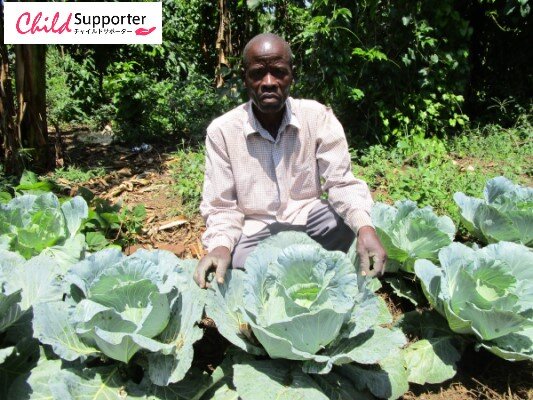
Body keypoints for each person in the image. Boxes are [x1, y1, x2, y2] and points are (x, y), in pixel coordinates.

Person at [194, 33, 386, 289]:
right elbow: (221, 207)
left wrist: (364, 228)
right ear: (244, 78)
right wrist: (219, 247)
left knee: (346, 227)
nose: (269, 82)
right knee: (237, 260)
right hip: (256, 231)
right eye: (258, 74)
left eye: (279, 72)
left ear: (292, 75)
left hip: (311, 220)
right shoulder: (223, 131)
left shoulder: (317, 117)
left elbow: (340, 183)